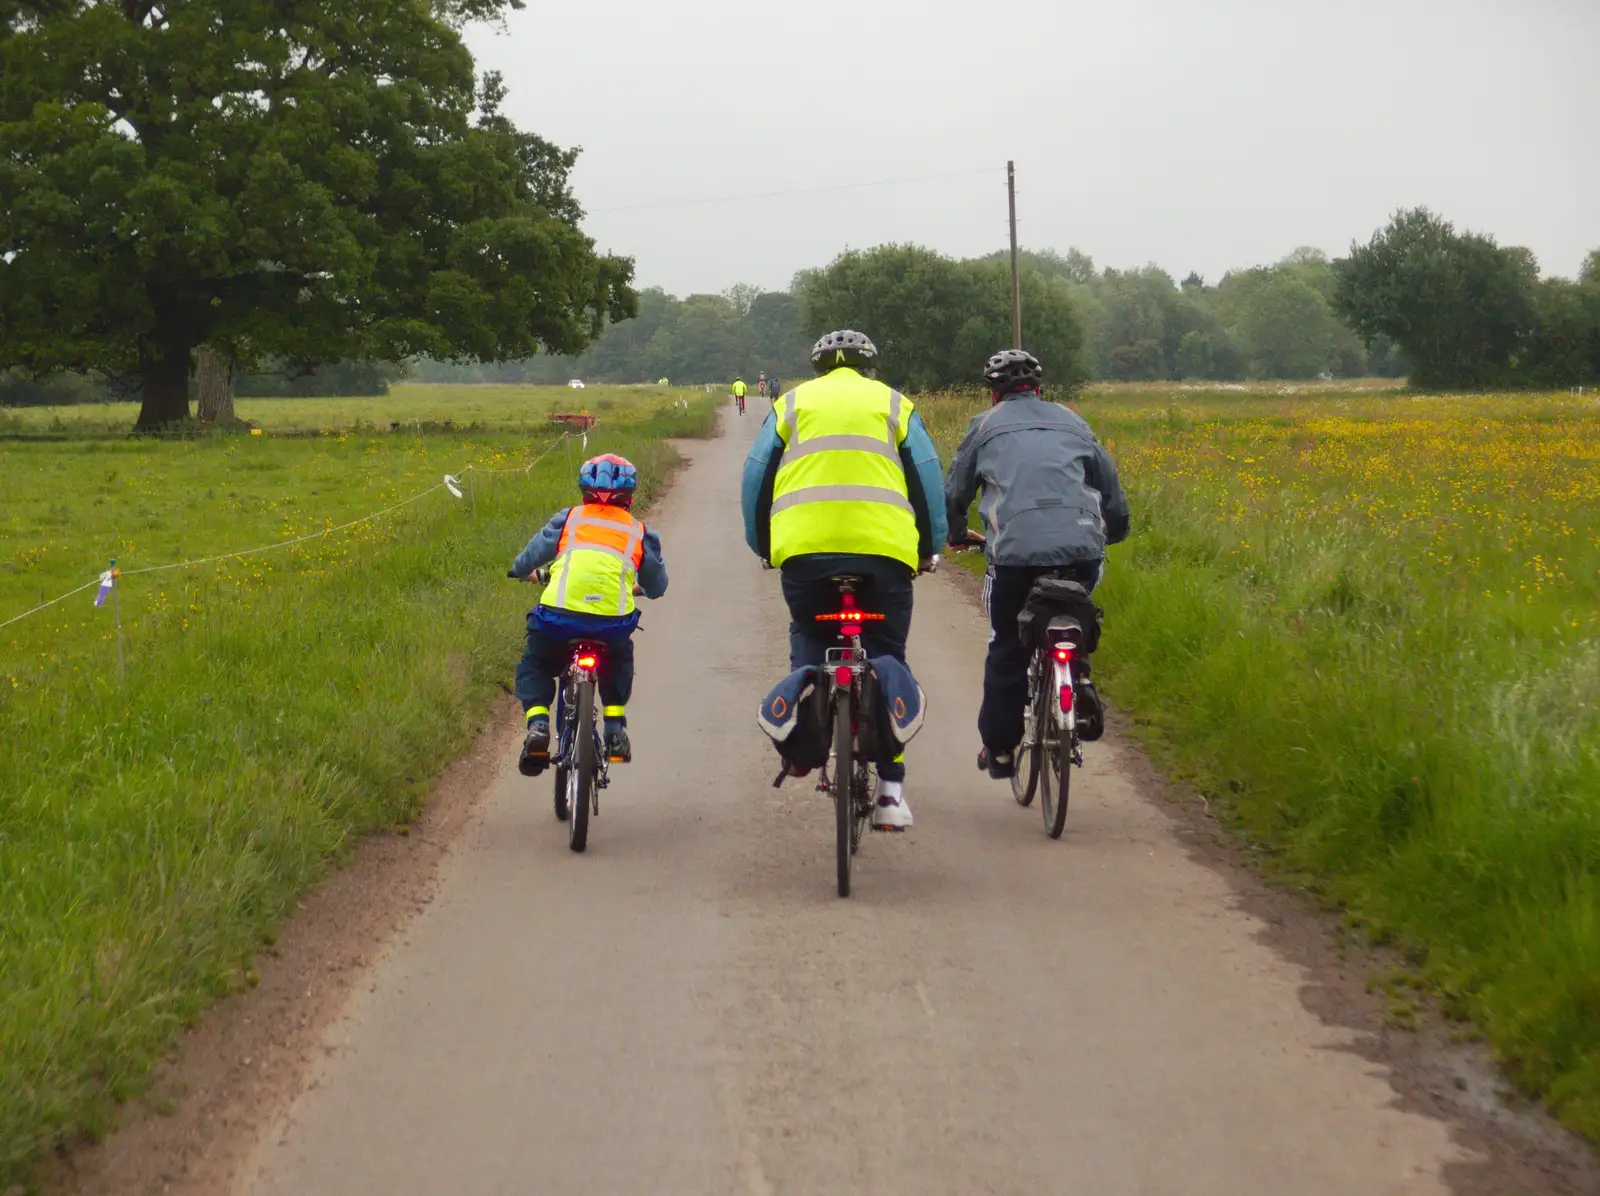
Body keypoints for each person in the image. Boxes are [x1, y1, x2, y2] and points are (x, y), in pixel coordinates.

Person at [742, 329, 947, 828]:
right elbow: (926, 476)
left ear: (818, 367)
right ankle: (891, 794)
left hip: (806, 555)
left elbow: (756, 476)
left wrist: (764, 543)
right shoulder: (895, 404)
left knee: (810, 633)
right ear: (868, 365)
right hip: (884, 554)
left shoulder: (791, 404)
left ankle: (802, 740)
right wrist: (929, 547)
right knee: (885, 651)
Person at [943, 349, 1129, 779]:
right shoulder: (1073, 421)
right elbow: (1110, 486)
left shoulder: (984, 427)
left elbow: (955, 492)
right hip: (1082, 548)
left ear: (994, 395)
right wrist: (1113, 532)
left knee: (1008, 644)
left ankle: (1001, 750)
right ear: (1040, 389)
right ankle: (1077, 675)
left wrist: (955, 534)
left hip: (1014, 554)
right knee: (1073, 608)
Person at [510, 454, 669, 775]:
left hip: (558, 618)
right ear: (631, 497)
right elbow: (657, 584)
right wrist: (645, 591)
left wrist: (519, 570)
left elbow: (533, 554)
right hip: (611, 625)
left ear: (583, 492)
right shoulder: (639, 532)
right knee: (619, 658)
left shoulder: (569, 519)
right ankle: (613, 729)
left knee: (537, 662)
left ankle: (538, 724)